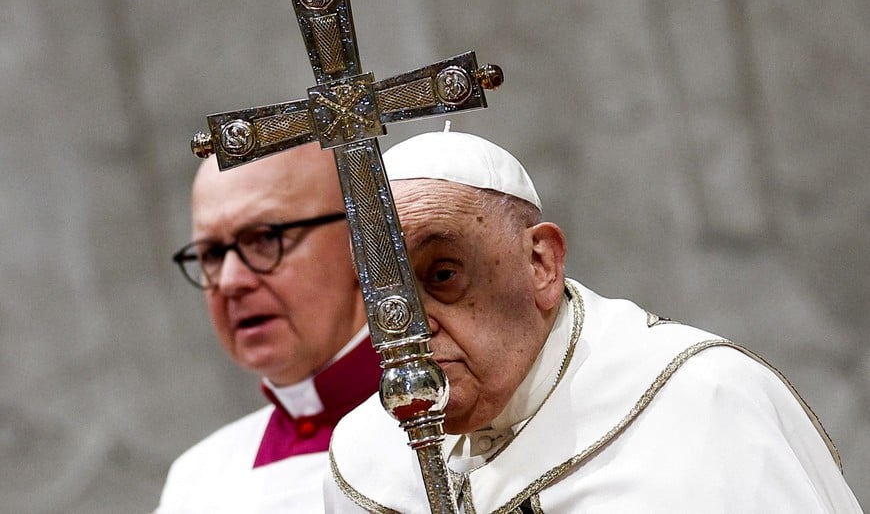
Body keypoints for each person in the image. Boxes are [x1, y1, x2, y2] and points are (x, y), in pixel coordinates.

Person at [325, 130, 862, 513]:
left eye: (443, 274)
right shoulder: (366, 464)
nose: (407, 328)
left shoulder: (698, 405)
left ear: (541, 263)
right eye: (380, 293)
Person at [157, 142, 381, 513]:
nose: (229, 282)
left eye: (264, 239)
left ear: (361, 241)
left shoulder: (460, 435)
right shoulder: (195, 482)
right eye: (212, 254)